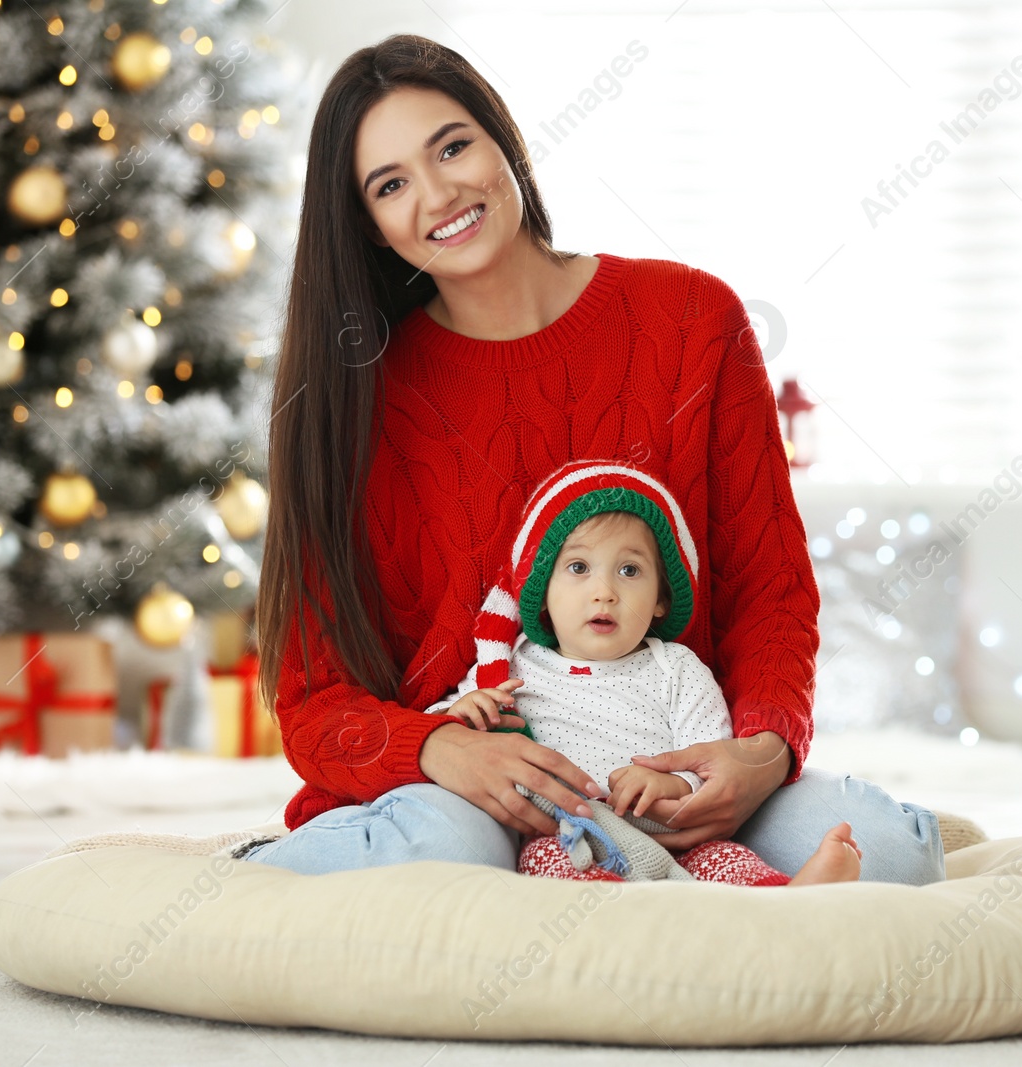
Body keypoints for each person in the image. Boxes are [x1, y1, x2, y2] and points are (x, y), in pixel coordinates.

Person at [241, 33, 945, 885]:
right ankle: (259, 875)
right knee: (443, 856)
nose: (438, 194)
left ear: (503, 141)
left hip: (669, 781)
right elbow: (316, 701)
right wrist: (442, 750)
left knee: (892, 850)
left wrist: (760, 751)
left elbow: (772, 594)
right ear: (370, 226)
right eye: (391, 185)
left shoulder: (692, 320)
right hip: (470, 796)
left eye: (453, 146)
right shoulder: (354, 399)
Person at [422, 460, 863, 887]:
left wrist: (669, 782)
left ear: (660, 601)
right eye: (579, 568)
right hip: (571, 837)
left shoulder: (676, 669)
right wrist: (462, 711)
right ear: (541, 592)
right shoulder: (510, 666)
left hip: (672, 841)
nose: (605, 592)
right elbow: (453, 739)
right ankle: (622, 922)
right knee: (543, 860)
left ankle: (784, 900)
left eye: (629, 570)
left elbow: (707, 762)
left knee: (726, 860)